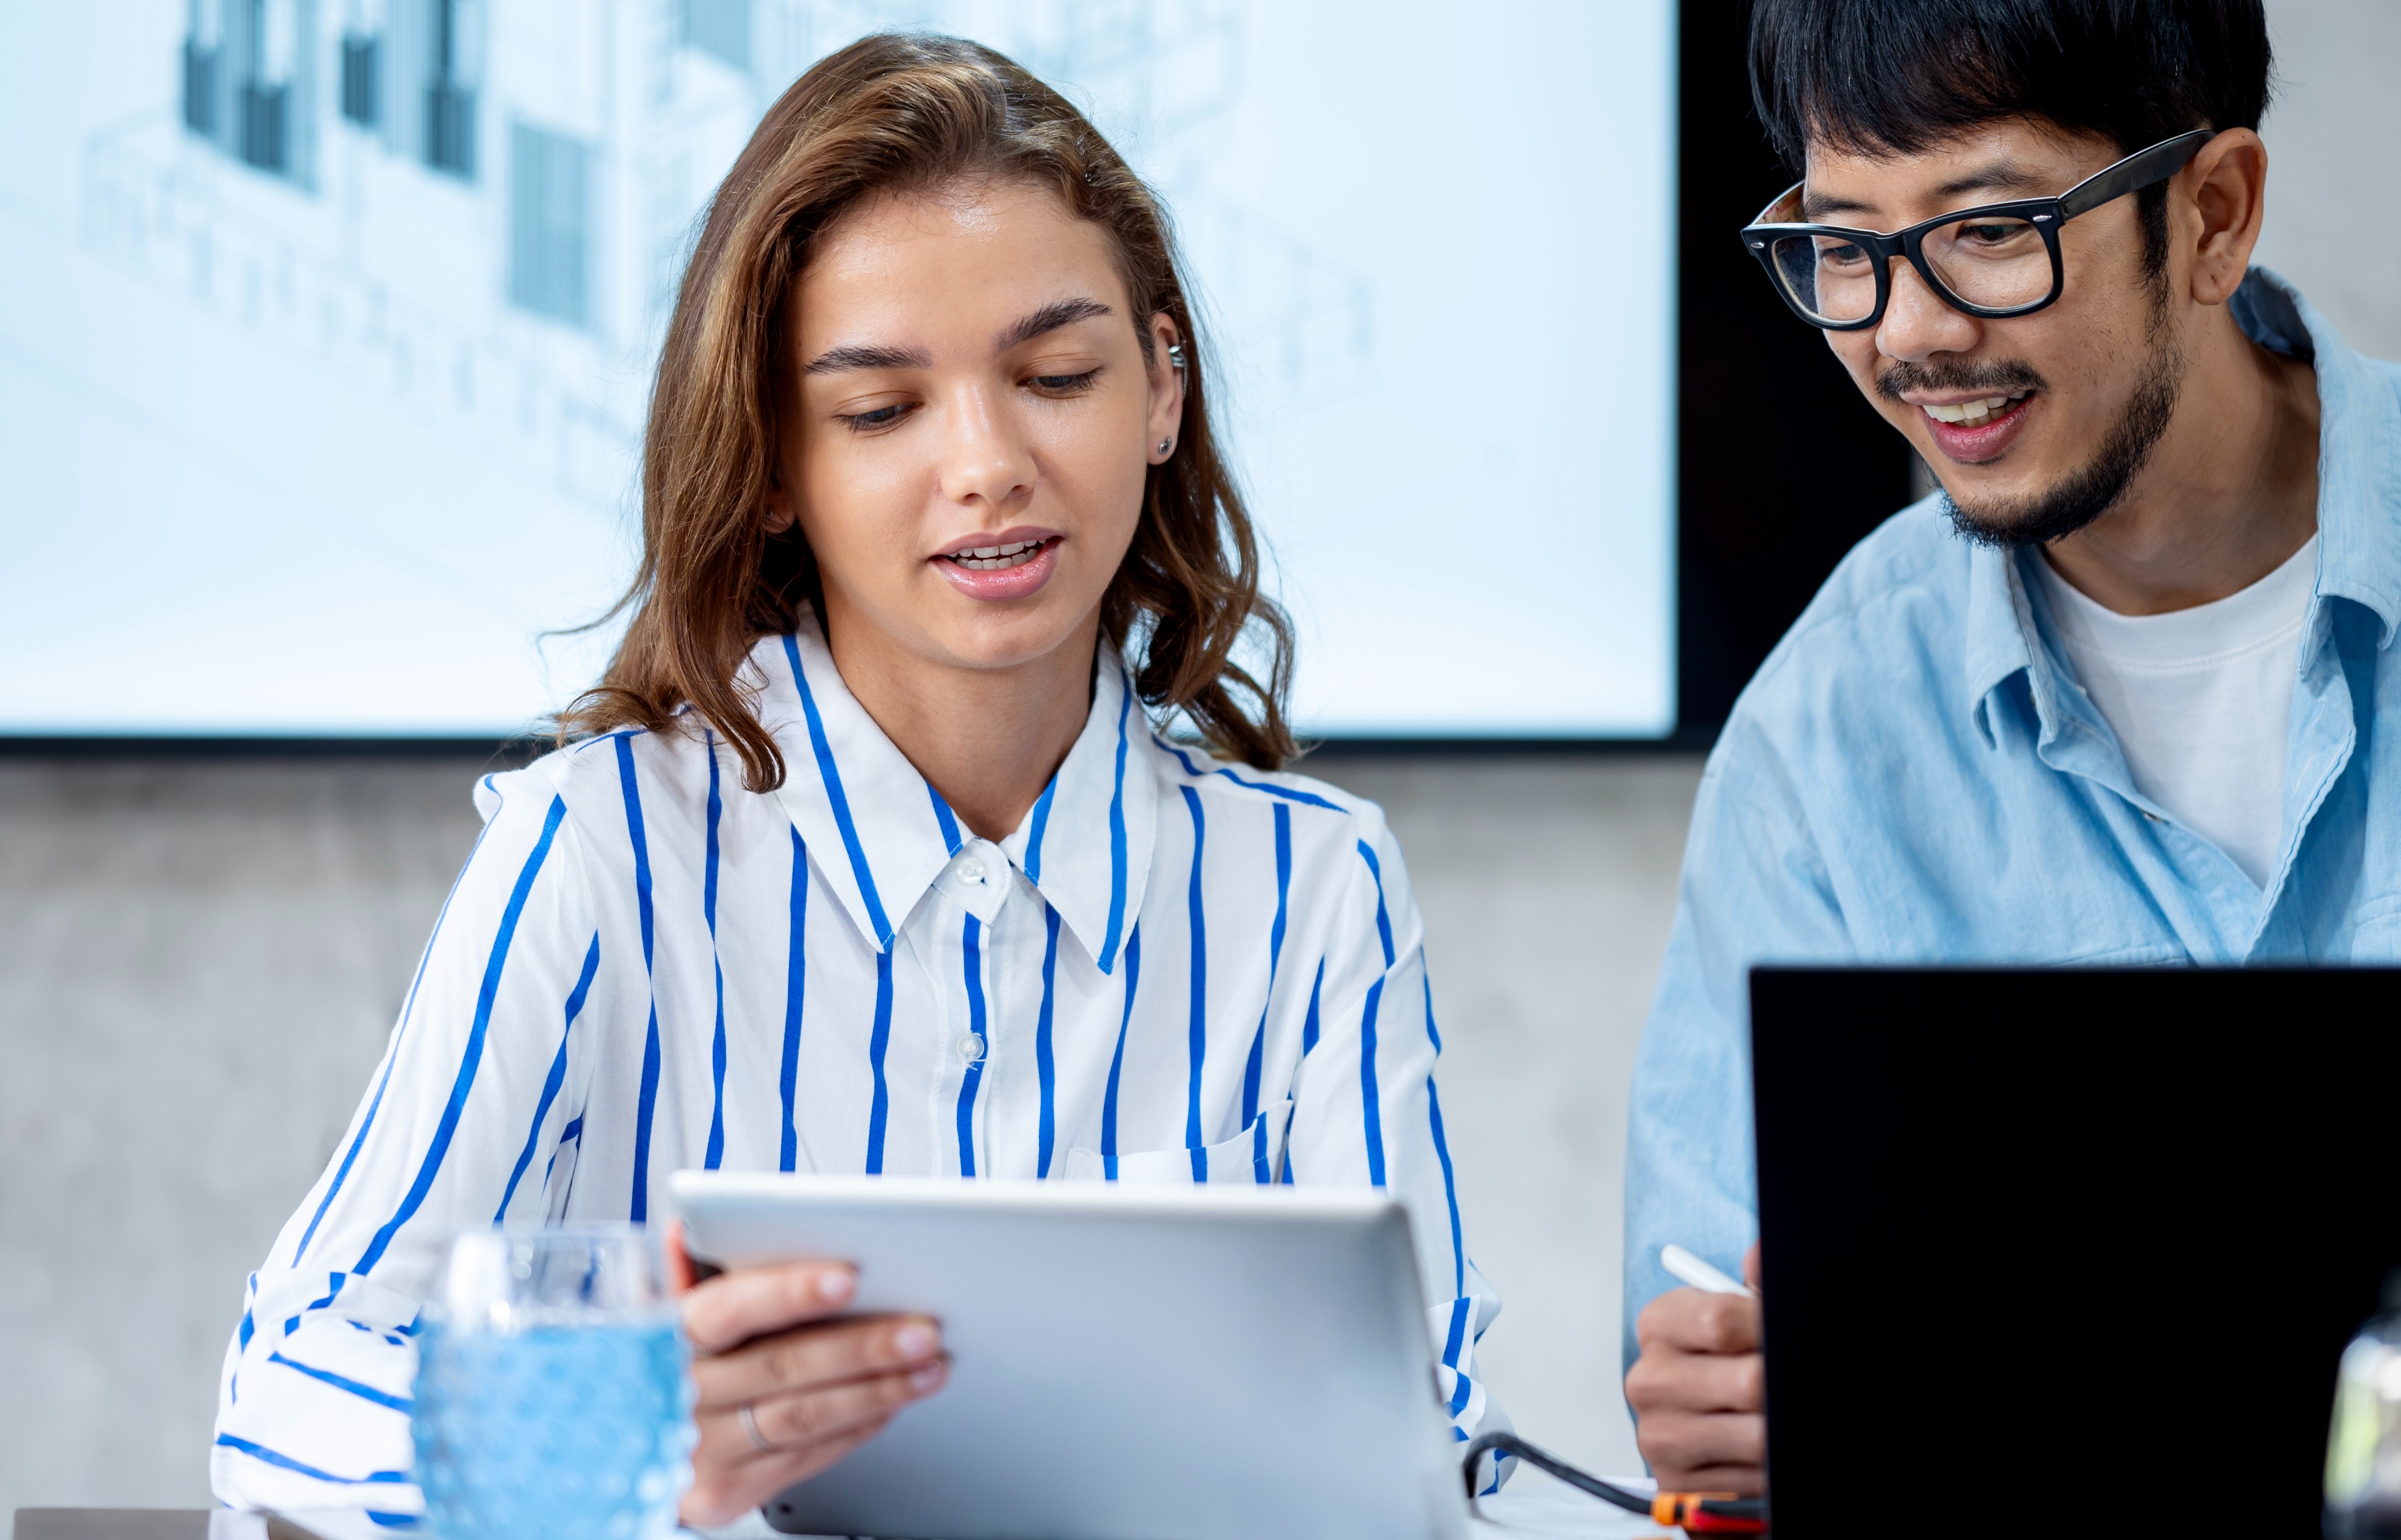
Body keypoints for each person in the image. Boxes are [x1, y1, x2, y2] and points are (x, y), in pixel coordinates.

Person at [211, 33, 1500, 1528]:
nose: (987, 464)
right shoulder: (598, 850)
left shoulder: (1315, 888)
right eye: (881, 410)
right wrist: (622, 1439)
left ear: (1161, 386)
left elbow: (1432, 1432)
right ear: (773, 461)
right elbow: (288, 1375)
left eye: (1056, 376)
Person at [1623, 0, 2401, 1497]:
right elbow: (1715, 1325)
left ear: (2214, 214)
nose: (1909, 332)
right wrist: (1725, 1418)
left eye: (1990, 229)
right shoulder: (1821, 731)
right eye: (1845, 246)